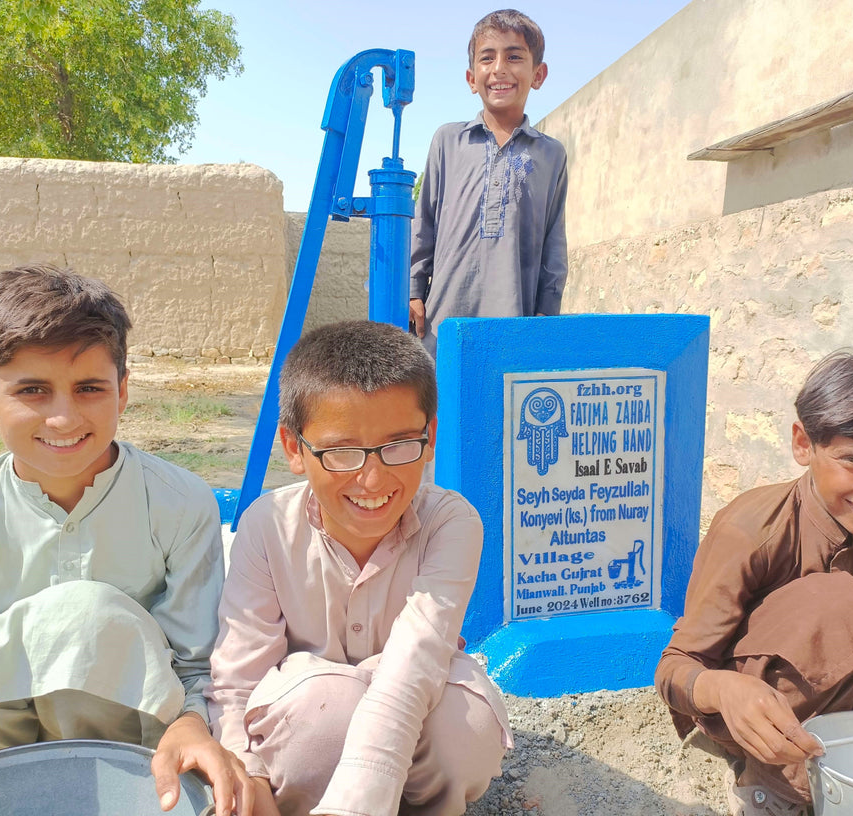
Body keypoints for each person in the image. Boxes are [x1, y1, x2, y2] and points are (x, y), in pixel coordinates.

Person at [0, 264, 250, 816]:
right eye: (32, 390)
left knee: (85, 616)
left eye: (89, 388)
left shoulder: (179, 502)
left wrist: (191, 725)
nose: (63, 417)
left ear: (123, 391)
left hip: (128, 746)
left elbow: (196, 661)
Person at [206, 320, 511, 816]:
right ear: (294, 448)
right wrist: (248, 773)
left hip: (412, 721)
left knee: (467, 728)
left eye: (398, 445)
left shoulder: (451, 523)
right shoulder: (267, 527)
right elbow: (238, 678)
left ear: (429, 437)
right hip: (313, 730)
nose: (372, 478)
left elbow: (417, 657)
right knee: (325, 712)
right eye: (341, 452)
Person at [656, 349, 853, 816]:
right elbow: (677, 667)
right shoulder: (753, 530)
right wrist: (725, 690)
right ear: (804, 444)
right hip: (758, 720)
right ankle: (772, 789)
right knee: (835, 598)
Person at [409, 8, 568, 358]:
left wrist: (546, 314)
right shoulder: (448, 141)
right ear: (471, 77)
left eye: (514, 56)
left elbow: (554, 244)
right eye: (487, 58)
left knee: (503, 407)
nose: (499, 69)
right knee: (441, 409)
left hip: (516, 324)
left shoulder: (551, 155)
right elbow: (424, 222)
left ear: (538, 74)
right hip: (443, 324)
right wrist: (413, 290)